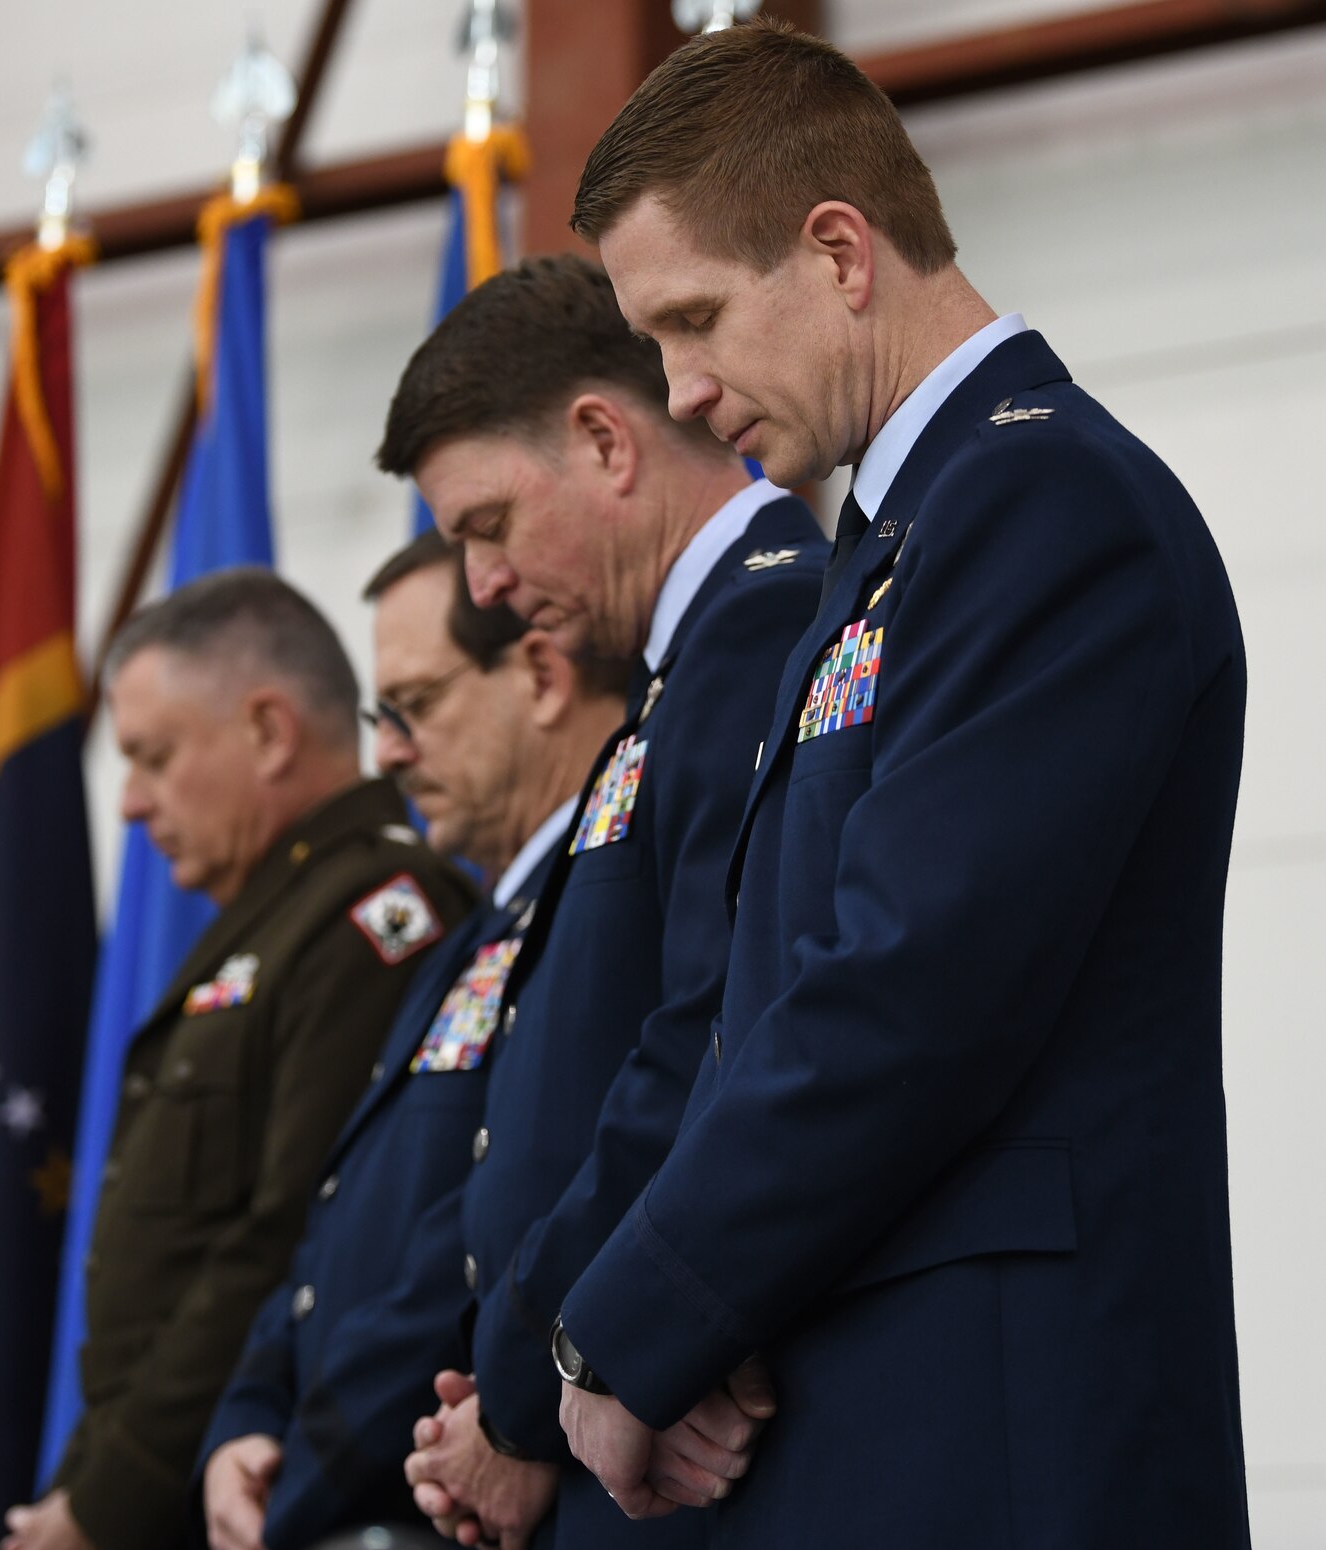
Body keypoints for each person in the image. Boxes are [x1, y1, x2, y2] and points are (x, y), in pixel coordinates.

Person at [552, 21, 1251, 1549]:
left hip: (1009, 1439)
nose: (677, 391)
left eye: (695, 320)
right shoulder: (898, 542)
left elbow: (910, 985)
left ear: (839, 253)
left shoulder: (1046, 502)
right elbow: (758, 1001)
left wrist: (640, 1322)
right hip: (888, 1426)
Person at [379, 254, 827, 1547]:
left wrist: (534, 1386)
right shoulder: (677, 676)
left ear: (602, 441)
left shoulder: (763, 632)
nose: (483, 589)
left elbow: (701, 1039)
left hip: (666, 1423)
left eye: (487, 525)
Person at [3, 569, 477, 1550]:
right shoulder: (274, 919)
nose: (131, 801)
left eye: (153, 756)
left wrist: (107, 1498)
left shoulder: (375, 918)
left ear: (267, 730)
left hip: (254, 1492)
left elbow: (284, 1237)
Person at [200, 532, 626, 1550]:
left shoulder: (589, 916)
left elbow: (470, 1240)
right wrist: (245, 1415)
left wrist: (296, 1481)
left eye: (415, 706)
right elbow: (336, 1213)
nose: (386, 751)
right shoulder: (475, 929)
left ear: (538, 676)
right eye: (376, 717)